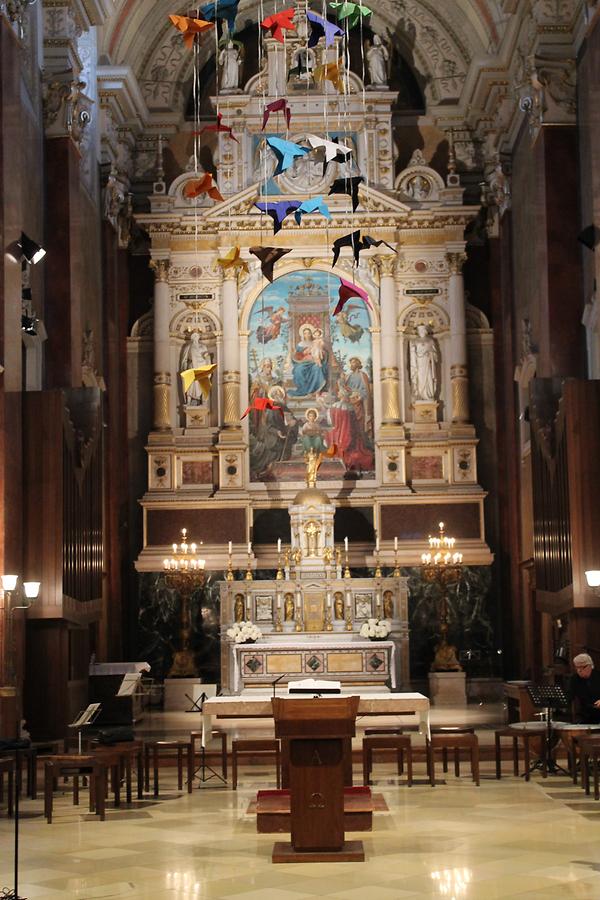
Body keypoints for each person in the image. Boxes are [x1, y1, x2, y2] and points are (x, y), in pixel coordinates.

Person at [289, 324, 328, 397]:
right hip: (303, 362)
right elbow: (296, 356)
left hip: (314, 362)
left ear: (312, 334)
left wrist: (322, 353)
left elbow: (324, 352)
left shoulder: (316, 342)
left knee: (318, 368)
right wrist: (303, 352)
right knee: (298, 370)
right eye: (305, 333)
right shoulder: (300, 344)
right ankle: (304, 389)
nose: (307, 334)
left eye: (308, 333)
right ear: (302, 334)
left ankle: (315, 390)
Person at [180, 330, 212, 405]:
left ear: (198, 337)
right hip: (191, 367)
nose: (195, 337)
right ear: (192, 337)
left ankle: (203, 401)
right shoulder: (188, 347)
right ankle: (188, 401)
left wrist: (207, 359)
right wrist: (184, 369)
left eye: (196, 336)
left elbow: (207, 358)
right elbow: (184, 360)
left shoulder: (203, 347)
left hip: (201, 368)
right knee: (190, 384)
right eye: (194, 336)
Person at [409, 323, 439, 401]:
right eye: (420, 330)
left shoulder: (430, 341)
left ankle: (429, 395)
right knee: (419, 378)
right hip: (419, 364)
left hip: (427, 363)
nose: (421, 331)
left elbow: (435, 355)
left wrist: (430, 354)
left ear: (425, 331)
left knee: (429, 378)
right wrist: (412, 350)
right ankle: (420, 395)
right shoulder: (415, 341)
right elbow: (413, 353)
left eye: (422, 330)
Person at [568, 653, 600, 723]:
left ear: (589, 666)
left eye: (581, 667)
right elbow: (569, 696)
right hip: (585, 715)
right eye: (577, 667)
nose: (579, 670)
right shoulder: (574, 679)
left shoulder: (598, 676)